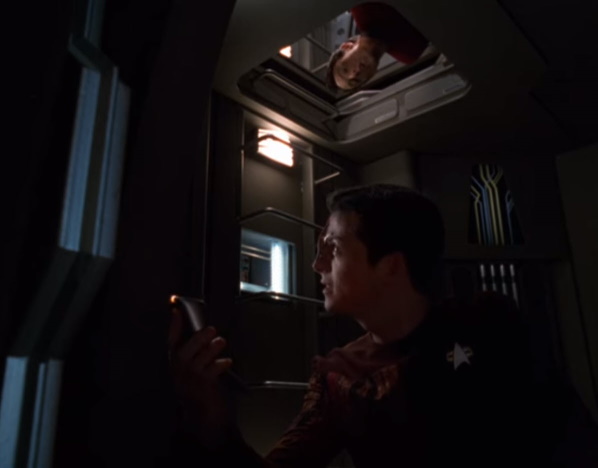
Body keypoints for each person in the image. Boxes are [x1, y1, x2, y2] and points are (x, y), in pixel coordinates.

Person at [169, 184, 598, 467]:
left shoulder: (488, 323)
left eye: (333, 249)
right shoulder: (338, 376)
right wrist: (210, 414)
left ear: (391, 265)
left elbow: (568, 432)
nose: (317, 265)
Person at [326, 2, 430, 91]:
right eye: (355, 81)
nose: (354, 74)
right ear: (372, 74)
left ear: (347, 46)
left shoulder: (361, 7)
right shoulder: (409, 54)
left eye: (345, 69)